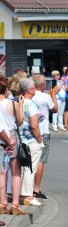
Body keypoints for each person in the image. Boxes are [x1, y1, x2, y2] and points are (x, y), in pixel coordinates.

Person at [17, 78, 45, 208]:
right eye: (33, 87)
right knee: (30, 168)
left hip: (21, 139)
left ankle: (21, 194)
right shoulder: (31, 104)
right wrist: (40, 141)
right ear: (29, 89)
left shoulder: (19, 103)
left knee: (23, 168)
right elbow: (34, 125)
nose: (35, 89)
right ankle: (27, 196)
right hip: (31, 140)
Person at [31, 74, 60, 199]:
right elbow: (55, 109)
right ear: (43, 85)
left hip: (29, 132)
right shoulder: (45, 96)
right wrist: (53, 94)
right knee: (40, 160)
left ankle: (25, 188)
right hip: (42, 131)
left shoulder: (28, 96)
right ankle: (36, 188)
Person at [0, 76, 21, 216]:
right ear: (7, 89)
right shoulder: (13, 103)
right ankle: (15, 204)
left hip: (1, 139)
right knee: (16, 172)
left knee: (2, 172)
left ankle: (2, 203)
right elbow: (19, 121)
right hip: (11, 136)